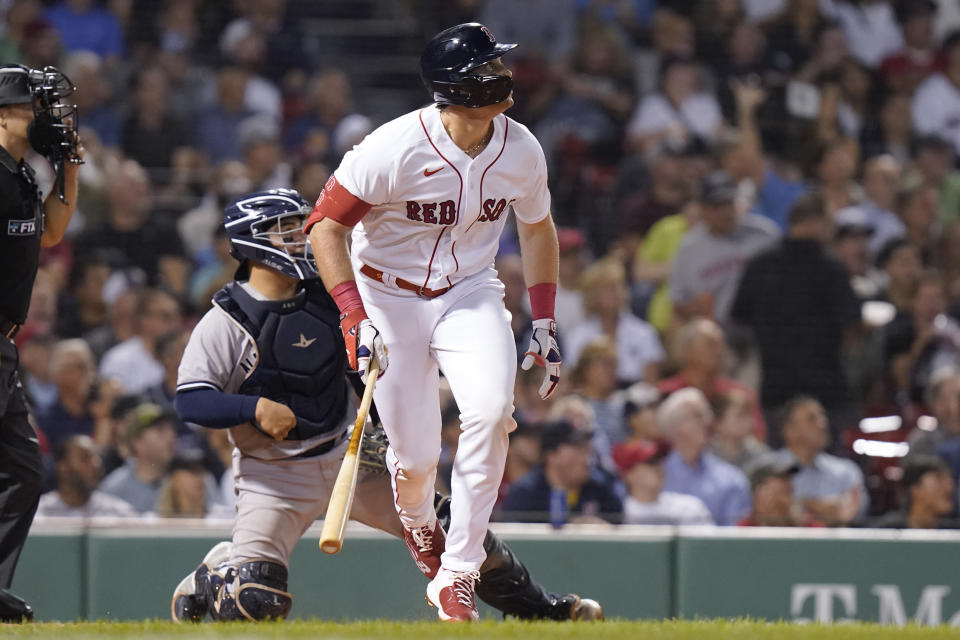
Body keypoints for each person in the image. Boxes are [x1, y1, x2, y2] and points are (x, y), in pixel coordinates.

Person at [171, 190, 601, 625]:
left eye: (298, 229)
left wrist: (384, 420)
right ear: (250, 242)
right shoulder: (225, 320)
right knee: (255, 602)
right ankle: (216, 574)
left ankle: (540, 609)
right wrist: (254, 407)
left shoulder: (331, 296)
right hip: (273, 475)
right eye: (283, 232)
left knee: (453, 531)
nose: (299, 240)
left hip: (348, 455)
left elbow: (363, 370)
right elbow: (190, 398)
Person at [305, 23, 562, 622]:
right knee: (417, 458)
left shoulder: (520, 147)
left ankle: (459, 572)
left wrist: (545, 321)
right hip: (387, 298)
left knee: (494, 412)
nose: (504, 76)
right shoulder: (392, 147)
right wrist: (352, 314)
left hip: (469, 292)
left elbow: (537, 227)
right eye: (489, 69)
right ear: (459, 87)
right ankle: (419, 522)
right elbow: (325, 226)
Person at [0, 63, 83, 623]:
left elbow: (52, 232)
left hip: (4, 343)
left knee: (23, 471)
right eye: (33, 107)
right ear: (2, 113)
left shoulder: (20, 172)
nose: (44, 116)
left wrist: (68, 166)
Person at [500, 420, 622, 525]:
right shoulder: (526, 493)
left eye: (587, 448)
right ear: (551, 455)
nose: (587, 456)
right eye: (579, 447)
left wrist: (604, 529)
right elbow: (511, 539)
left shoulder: (600, 489)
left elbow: (623, 534)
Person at [612, 439, 713, 526]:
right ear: (628, 473)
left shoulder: (689, 508)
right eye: (650, 462)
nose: (658, 467)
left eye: (659, 461)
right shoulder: (617, 514)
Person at [35, 435, 135, 519]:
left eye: (96, 457)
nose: (95, 464)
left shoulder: (118, 514)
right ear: (63, 467)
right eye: (84, 459)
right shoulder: (40, 514)